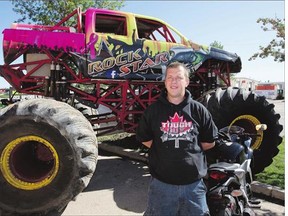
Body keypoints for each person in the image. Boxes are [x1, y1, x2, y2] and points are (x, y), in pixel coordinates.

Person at [136, 61, 218, 216]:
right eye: (170, 77)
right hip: (161, 187)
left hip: (194, 187)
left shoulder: (199, 110)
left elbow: (209, 142)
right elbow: (145, 139)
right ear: (165, 81)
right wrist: (162, 147)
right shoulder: (152, 111)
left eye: (179, 77)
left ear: (186, 81)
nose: (174, 81)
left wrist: (188, 150)